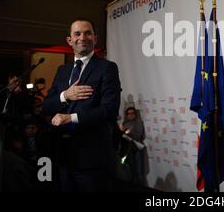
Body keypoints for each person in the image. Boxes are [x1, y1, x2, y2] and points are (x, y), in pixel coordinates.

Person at [42, 18, 121, 191]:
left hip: (92, 157)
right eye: (77, 34)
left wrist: (70, 118)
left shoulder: (107, 68)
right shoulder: (62, 70)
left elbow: (109, 110)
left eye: (87, 33)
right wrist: (65, 95)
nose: (82, 37)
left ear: (95, 38)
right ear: (69, 40)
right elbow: (46, 107)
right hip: (63, 155)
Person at [117, 106, 147, 186]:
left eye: (132, 113)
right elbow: (121, 136)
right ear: (126, 115)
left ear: (135, 114)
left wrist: (126, 131)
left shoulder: (139, 123)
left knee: (139, 171)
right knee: (128, 170)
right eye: (128, 113)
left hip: (136, 149)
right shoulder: (124, 123)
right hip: (126, 150)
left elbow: (139, 135)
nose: (130, 115)